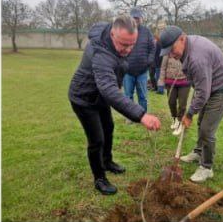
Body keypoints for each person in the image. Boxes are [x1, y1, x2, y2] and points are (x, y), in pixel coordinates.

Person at [67, 15, 163, 196]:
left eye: (131, 44)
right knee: (97, 139)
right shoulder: (101, 54)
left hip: (99, 97)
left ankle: (107, 161)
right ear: (112, 34)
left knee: (108, 128)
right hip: (84, 99)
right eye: (123, 45)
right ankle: (99, 178)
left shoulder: (113, 37)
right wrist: (141, 115)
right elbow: (109, 90)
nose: (127, 49)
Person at [156, 25, 223, 184]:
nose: (171, 55)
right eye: (168, 52)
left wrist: (190, 113)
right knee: (202, 122)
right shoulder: (187, 48)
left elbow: (203, 92)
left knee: (207, 129)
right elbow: (201, 88)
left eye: (172, 49)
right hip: (209, 86)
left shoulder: (196, 58)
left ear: (182, 38)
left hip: (221, 88)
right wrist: (192, 113)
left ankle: (206, 167)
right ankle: (199, 152)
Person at [121, 8, 154, 113]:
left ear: (141, 18)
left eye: (137, 17)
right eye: (133, 17)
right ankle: (130, 116)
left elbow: (153, 48)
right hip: (128, 71)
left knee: (143, 96)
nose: (135, 20)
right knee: (128, 96)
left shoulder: (147, 31)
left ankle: (143, 116)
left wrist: (149, 61)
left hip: (142, 71)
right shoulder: (124, 31)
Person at [161, 52, 190, 136]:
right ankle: (175, 119)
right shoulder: (168, 52)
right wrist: (161, 81)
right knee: (171, 102)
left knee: (182, 104)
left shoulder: (186, 52)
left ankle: (181, 123)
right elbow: (163, 67)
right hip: (170, 82)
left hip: (184, 82)